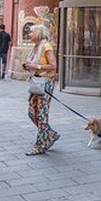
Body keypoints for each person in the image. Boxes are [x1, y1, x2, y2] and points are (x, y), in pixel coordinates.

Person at [22, 23, 59, 156]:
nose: (29, 34)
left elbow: (53, 66)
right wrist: (28, 66)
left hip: (45, 83)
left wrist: (36, 66)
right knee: (32, 113)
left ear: (38, 33)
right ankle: (51, 134)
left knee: (42, 116)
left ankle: (40, 146)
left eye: (31, 32)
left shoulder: (46, 47)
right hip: (36, 83)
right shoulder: (35, 47)